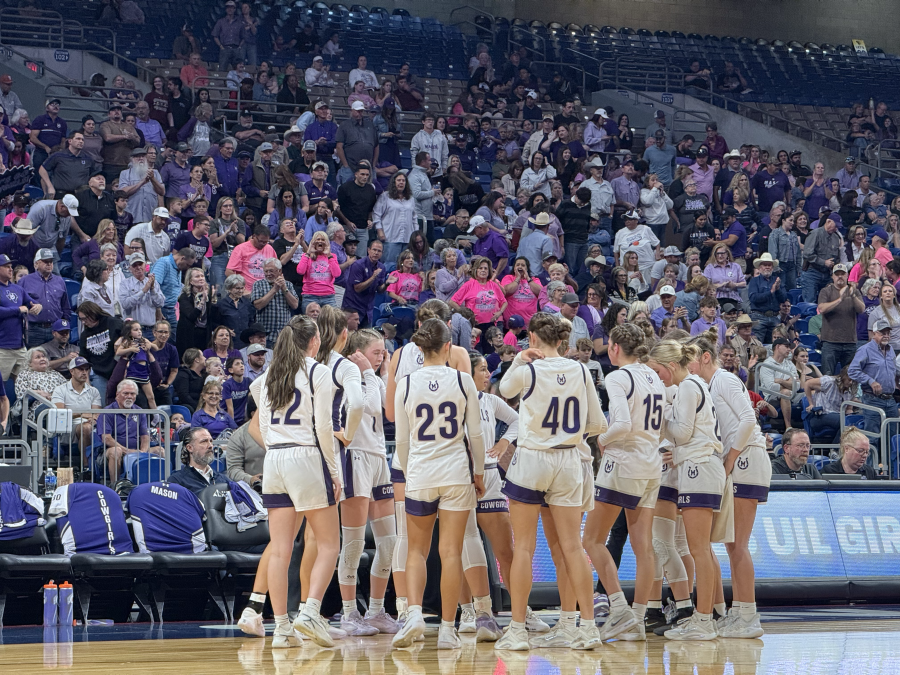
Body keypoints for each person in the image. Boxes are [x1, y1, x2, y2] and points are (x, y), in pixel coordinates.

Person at [494, 312, 606, 650]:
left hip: (532, 459)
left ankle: (517, 631)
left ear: (531, 338)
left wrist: (519, 359)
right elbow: (598, 423)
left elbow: (503, 389)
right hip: (569, 459)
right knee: (572, 547)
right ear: (561, 340)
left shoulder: (527, 369)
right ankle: (586, 628)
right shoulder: (581, 369)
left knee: (524, 548)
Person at [389, 317, 487, 649]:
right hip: (457, 472)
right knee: (451, 552)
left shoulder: (405, 383)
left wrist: (409, 469)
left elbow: (401, 441)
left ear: (419, 348)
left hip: (420, 473)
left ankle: (414, 615)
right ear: (449, 346)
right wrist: (479, 474)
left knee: (416, 550)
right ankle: (448, 629)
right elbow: (475, 434)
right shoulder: (463, 380)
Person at [579, 324, 665, 642]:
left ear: (614, 347)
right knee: (644, 548)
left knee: (591, 540)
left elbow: (622, 423)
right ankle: (638, 620)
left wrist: (601, 439)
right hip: (651, 463)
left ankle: (619, 609)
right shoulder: (653, 376)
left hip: (624, 462)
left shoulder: (618, 377)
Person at [690, 331, 770, 637]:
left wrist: (729, 459)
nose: (689, 366)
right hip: (742, 458)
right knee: (732, 544)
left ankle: (748, 616)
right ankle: (740, 612)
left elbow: (749, 419)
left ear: (705, 357)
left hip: (747, 457)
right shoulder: (710, 385)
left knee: (737, 545)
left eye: (692, 359)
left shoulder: (723, 380)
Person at [647, 339, 724, 640]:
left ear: (669, 366)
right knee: (697, 548)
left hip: (700, 465)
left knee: (699, 549)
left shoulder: (690, 387)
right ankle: (703, 615)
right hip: (696, 466)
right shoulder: (689, 387)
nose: (657, 377)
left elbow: (682, 432)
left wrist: (661, 417)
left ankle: (703, 618)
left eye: (657, 370)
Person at [849, 318, 897, 446]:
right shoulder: (865, 350)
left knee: (893, 438)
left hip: (890, 399)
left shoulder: (891, 350)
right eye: (882, 333)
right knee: (872, 438)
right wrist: (870, 381)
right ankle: (870, 466)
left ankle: (890, 466)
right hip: (872, 399)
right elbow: (852, 371)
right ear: (874, 334)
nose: (886, 336)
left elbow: (893, 371)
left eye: (888, 333)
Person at [98, 379, 155, 483]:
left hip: (136, 450)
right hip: (110, 452)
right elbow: (107, 438)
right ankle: (116, 486)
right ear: (117, 394)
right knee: (116, 451)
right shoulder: (107, 412)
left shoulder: (140, 411)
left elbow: (145, 436)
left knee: (160, 451)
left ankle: (157, 486)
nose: (129, 396)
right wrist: (127, 451)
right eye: (126, 393)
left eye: (132, 394)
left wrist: (142, 452)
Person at [818, 264, 864, 376]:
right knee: (827, 376)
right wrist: (840, 299)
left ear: (847, 275)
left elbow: (862, 309)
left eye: (842, 274)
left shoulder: (855, 291)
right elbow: (822, 308)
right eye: (837, 274)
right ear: (832, 276)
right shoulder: (826, 291)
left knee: (849, 377)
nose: (840, 277)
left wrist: (853, 296)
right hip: (830, 342)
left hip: (850, 342)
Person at [166, 426, 229, 494]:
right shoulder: (177, 481)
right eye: (204, 441)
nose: (210, 445)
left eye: (210, 441)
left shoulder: (223, 480)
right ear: (190, 448)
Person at [226, 225, 276, 295]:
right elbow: (229, 271)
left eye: (266, 242)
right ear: (254, 236)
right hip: (247, 291)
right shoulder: (240, 249)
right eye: (261, 241)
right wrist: (241, 290)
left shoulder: (270, 249)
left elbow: (276, 270)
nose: (263, 244)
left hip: (266, 291)